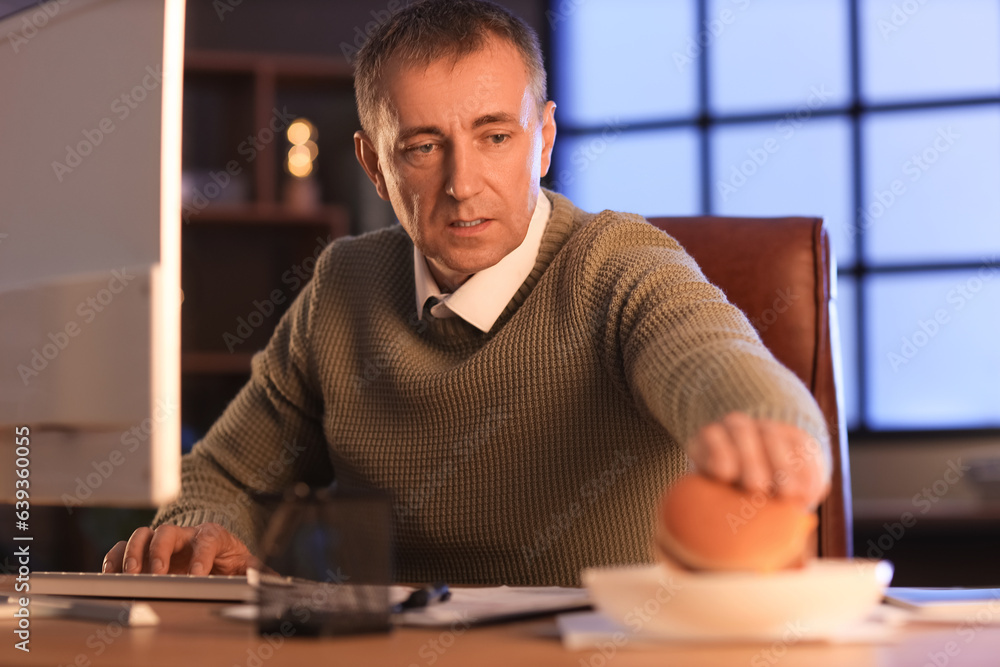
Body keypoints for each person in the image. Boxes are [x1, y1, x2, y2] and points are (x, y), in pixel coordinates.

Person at [104, 0, 831, 586]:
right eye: (422, 147)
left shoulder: (618, 261)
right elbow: (230, 473)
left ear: (543, 140)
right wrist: (198, 531)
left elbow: (715, 359)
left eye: (494, 137)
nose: (461, 183)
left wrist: (768, 428)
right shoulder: (343, 287)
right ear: (375, 166)